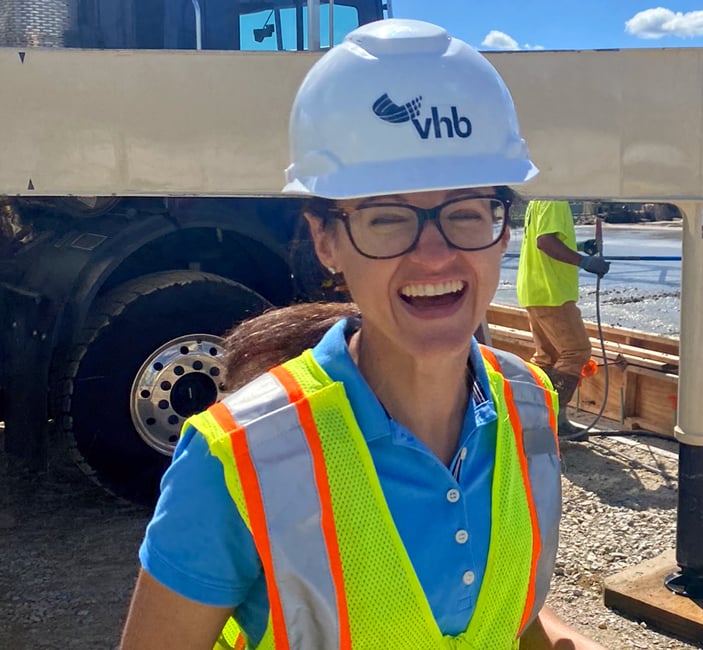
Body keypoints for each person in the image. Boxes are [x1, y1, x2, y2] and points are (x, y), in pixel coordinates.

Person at [119, 19, 606, 650]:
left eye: (464, 212)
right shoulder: (237, 459)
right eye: (386, 219)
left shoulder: (530, 405)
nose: (435, 256)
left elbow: (508, 620)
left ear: (502, 228)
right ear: (326, 240)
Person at [515, 200, 609, 441]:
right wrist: (583, 261)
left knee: (548, 357)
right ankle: (554, 420)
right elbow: (545, 242)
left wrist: (578, 247)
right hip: (551, 291)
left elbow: (547, 239)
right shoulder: (554, 199)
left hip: (534, 289)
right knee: (576, 351)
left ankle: (532, 416)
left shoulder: (539, 198)